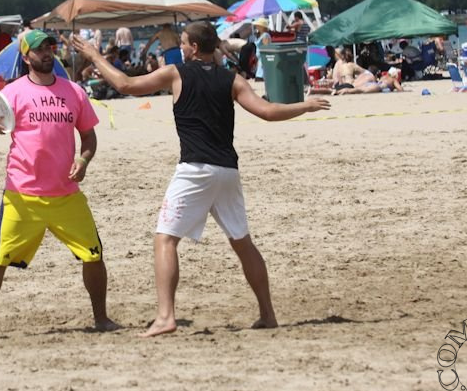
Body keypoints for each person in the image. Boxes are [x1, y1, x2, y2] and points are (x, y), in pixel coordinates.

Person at [72, 22, 329, 337]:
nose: (180, 47)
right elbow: (267, 111)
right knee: (243, 243)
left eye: (183, 42)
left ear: (193, 47)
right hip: (227, 172)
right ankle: (267, 314)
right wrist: (305, 105)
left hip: (195, 170)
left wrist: (94, 56)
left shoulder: (177, 73)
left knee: (165, 239)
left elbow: (125, 84)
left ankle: (165, 317)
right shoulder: (232, 78)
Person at [0, 30, 119, 344]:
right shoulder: (12, 93)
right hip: (22, 196)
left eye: (50, 47)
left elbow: (88, 136)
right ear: (26, 57)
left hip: (66, 195)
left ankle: (101, 318)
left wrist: (84, 160)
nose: (47, 52)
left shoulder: (74, 91)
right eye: (39, 49)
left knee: (93, 255)